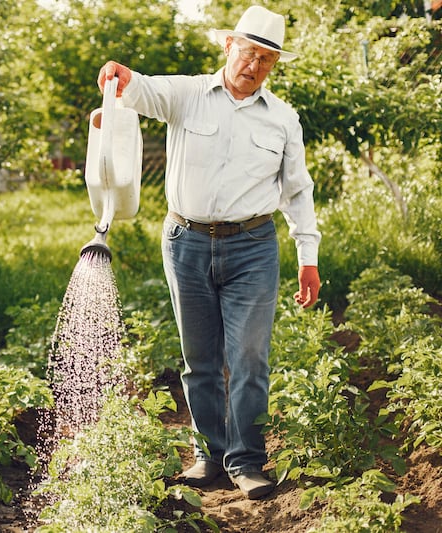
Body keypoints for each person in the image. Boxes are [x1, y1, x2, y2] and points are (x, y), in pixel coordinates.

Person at [97, 5, 321, 500]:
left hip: (253, 247)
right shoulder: (188, 95)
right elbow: (143, 90)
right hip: (187, 243)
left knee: (247, 358)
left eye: (267, 59)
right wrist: (120, 76)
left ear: (275, 65)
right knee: (199, 358)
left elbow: (297, 190)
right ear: (228, 46)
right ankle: (208, 454)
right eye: (249, 53)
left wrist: (309, 255)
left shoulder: (283, 119)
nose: (255, 66)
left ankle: (246, 460)